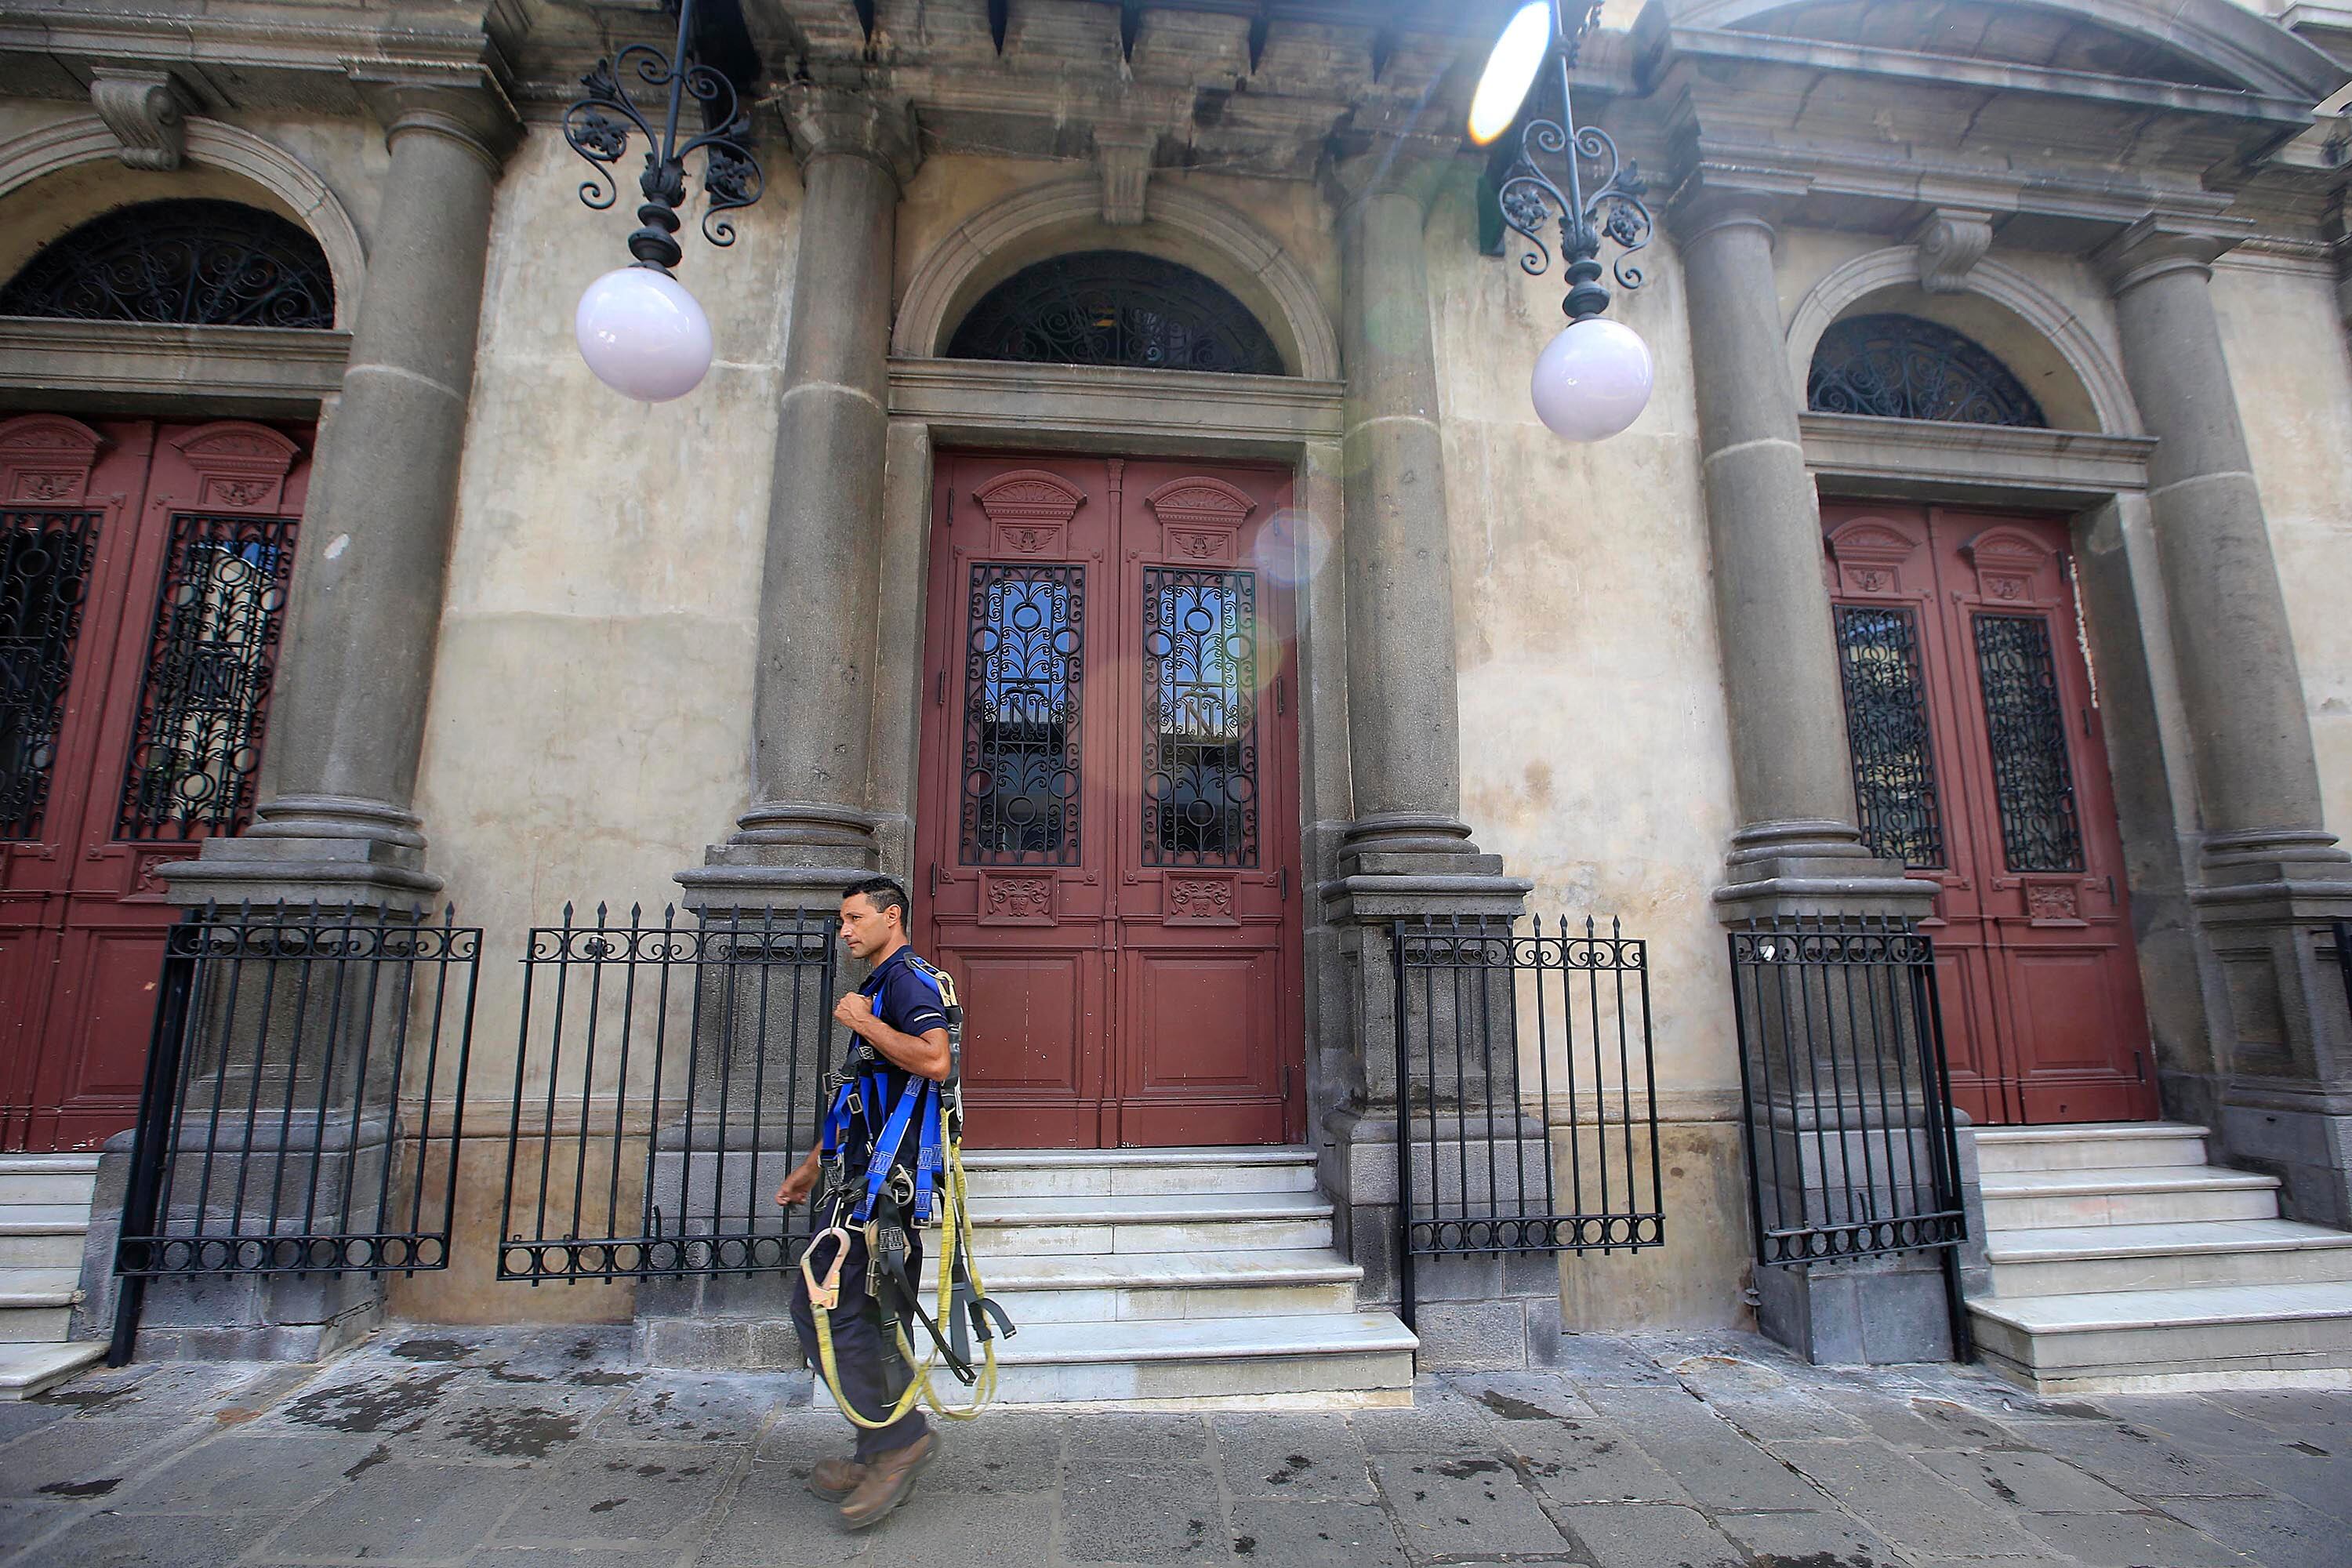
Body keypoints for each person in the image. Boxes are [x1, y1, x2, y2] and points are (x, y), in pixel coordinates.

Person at [775, 876, 954, 1530]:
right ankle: (878, 1447)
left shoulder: (906, 983)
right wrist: (810, 1167)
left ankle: (898, 1441)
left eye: (853, 918)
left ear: (891, 916)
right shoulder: (882, 984)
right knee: (867, 1317)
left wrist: (864, 1022)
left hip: (884, 1191)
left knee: (825, 1308)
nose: (844, 930)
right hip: (859, 1182)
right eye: (842, 920)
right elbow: (861, 1095)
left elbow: (935, 1061)